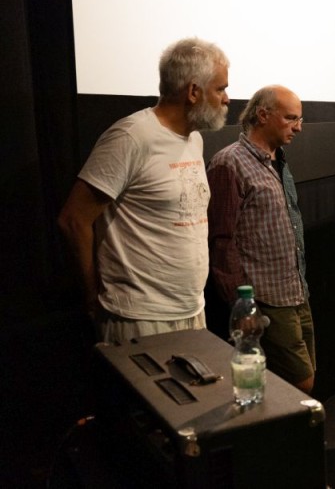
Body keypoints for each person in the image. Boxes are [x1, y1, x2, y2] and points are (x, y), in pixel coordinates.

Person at [58, 37, 230, 344]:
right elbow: (74, 219)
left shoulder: (193, 139)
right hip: (139, 317)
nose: (227, 98)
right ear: (193, 91)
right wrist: (92, 296)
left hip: (191, 310)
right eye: (220, 88)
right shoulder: (131, 137)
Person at [206, 85, 315, 395]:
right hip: (266, 300)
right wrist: (242, 307)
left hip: (295, 291)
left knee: (305, 380)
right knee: (299, 384)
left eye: (300, 119)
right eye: (291, 118)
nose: (298, 127)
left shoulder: (278, 160)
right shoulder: (230, 163)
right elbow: (221, 242)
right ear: (263, 115)